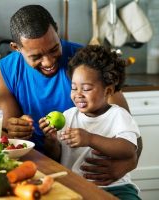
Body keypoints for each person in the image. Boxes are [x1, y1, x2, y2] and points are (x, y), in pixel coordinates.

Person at [0, 4, 142, 186]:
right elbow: (10, 139)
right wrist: (14, 128)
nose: (49, 62)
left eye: (54, 49)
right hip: (32, 167)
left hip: (89, 175)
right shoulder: (3, 72)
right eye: (36, 56)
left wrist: (128, 164)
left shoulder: (85, 63)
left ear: (57, 30)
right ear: (16, 47)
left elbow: (131, 134)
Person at [40, 45, 141, 199]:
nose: (78, 94)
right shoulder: (68, 116)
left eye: (86, 89)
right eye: (74, 88)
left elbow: (128, 149)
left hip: (115, 187)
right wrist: (52, 141)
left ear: (107, 91)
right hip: (74, 186)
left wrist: (90, 139)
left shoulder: (118, 116)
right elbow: (57, 157)